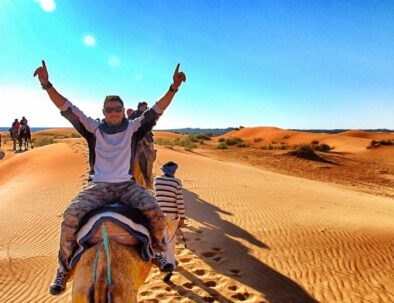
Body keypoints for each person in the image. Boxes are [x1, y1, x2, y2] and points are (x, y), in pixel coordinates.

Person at [33, 60, 186, 295]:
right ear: (103, 112)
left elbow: (157, 109)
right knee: (70, 216)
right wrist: (46, 84)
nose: (113, 113)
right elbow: (66, 107)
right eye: (109, 109)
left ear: (123, 111)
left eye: (117, 109)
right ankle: (64, 269)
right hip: (98, 187)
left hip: (126, 186)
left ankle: (158, 252)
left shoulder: (134, 128)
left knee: (155, 211)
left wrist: (173, 88)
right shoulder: (92, 128)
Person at [153, 161, 186, 272]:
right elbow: (179, 201)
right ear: (174, 171)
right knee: (171, 240)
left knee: (163, 239)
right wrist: (182, 217)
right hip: (173, 216)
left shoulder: (156, 180)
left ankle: (165, 261)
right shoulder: (176, 182)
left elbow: (155, 196)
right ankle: (171, 263)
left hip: (160, 215)